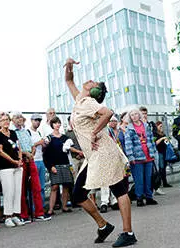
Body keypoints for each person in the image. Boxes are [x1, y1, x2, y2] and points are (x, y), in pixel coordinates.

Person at [65, 58, 136, 247]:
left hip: (104, 152)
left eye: (94, 83)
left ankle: (128, 233)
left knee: (119, 189)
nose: (90, 80)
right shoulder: (80, 100)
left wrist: (95, 132)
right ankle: (103, 226)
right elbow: (69, 81)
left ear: (94, 91)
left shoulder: (88, 102)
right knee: (78, 195)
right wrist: (69, 66)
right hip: (93, 156)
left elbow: (108, 112)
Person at [11, 112, 50, 222]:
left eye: (20, 117)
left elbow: (32, 145)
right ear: (13, 120)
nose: (19, 119)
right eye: (17, 118)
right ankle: (24, 215)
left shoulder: (25, 131)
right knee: (22, 188)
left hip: (31, 159)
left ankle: (39, 213)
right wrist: (25, 154)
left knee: (37, 186)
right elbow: (16, 147)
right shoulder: (13, 132)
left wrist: (31, 153)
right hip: (22, 159)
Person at [0, 113, 25, 227]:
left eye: (7, 119)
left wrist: (20, 158)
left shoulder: (13, 133)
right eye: (3, 120)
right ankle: (8, 216)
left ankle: (16, 215)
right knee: (9, 191)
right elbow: (0, 151)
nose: (6, 122)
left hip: (17, 165)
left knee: (17, 190)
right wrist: (13, 160)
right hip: (5, 167)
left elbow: (18, 146)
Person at [125, 109, 159, 207]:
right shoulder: (129, 128)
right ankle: (139, 197)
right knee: (138, 179)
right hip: (137, 157)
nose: (134, 116)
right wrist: (131, 157)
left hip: (148, 155)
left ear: (139, 115)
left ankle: (149, 197)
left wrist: (153, 151)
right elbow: (128, 143)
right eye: (132, 115)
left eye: (136, 114)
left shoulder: (146, 126)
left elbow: (151, 140)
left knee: (148, 178)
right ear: (130, 117)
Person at [42, 117, 74, 215]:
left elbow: (69, 151)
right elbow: (46, 155)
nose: (57, 125)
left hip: (65, 163)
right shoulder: (49, 138)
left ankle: (64, 207)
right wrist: (50, 166)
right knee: (54, 187)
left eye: (58, 123)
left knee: (66, 186)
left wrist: (70, 166)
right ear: (52, 125)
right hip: (54, 165)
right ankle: (50, 209)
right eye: (55, 123)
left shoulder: (65, 137)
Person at [29, 113, 47, 205]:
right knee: (34, 186)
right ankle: (34, 208)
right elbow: (28, 146)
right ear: (31, 121)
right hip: (34, 160)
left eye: (39, 120)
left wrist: (44, 144)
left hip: (40, 159)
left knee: (42, 186)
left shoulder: (39, 132)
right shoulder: (28, 132)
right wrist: (39, 142)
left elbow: (41, 146)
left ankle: (41, 207)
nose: (38, 122)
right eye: (36, 120)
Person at [154, 121, 172, 188]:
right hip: (159, 152)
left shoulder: (163, 134)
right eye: (160, 126)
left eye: (162, 126)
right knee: (161, 167)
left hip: (164, 152)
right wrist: (162, 138)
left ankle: (164, 182)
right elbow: (156, 143)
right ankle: (161, 182)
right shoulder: (155, 134)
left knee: (164, 167)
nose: (161, 128)